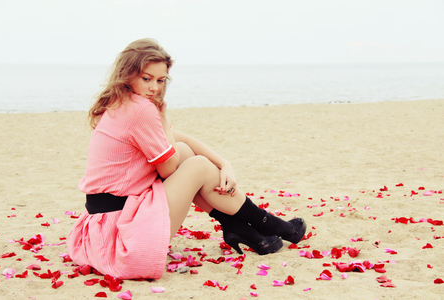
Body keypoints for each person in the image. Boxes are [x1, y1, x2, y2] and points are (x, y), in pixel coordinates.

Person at [67, 38, 306, 280]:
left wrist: (224, 164)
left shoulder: (122, 102)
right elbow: (169, 168)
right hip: (123, 236)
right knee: (197, 164)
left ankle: (240, 228)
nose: (154, 88)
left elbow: (176, 140)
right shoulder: (141, 110)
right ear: (127, 74)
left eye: (160, 80)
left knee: (185, 152)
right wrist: (164, 119)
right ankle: (267, 224)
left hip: (101, 230)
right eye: (146, 78)